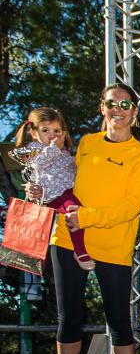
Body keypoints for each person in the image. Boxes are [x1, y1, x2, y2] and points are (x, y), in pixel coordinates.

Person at [41, 83, 140, 354]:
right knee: (68, 318)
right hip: (67, 241)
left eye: (124, 103)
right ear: (101, 108)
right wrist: (41, 187)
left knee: (119, 319)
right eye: (110, 103)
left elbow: (132, 205)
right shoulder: (87, 144)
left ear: (134, 113)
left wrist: (87, 217)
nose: (117, 109)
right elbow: (65, 185)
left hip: (113, 247)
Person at [14, 107, 91, 269]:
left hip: (65, 192)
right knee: (73, 212)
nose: (52, 135)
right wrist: (54, 148)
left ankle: (78, 250)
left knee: (76, 213)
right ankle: (80, 251)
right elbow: (38, 164)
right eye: (45, 130)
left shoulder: (63, 152)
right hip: (51, 195)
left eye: (56, 130)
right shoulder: (33, 150)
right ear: (34, 133)